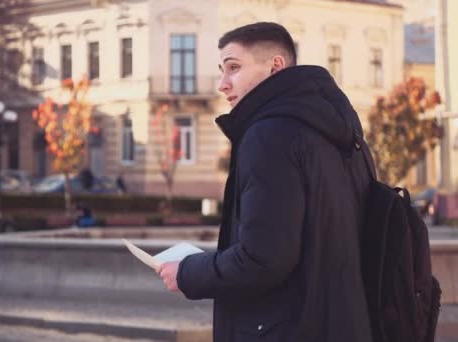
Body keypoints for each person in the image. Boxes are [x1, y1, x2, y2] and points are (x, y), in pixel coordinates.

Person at [157, 22, 374, 341]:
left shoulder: (269, 136)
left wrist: (188, 272)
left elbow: (263, 260)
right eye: (221, 70)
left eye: (233, 68)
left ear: (275, 66)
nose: (222, 84)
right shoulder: (342, 133)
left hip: (283, 328)